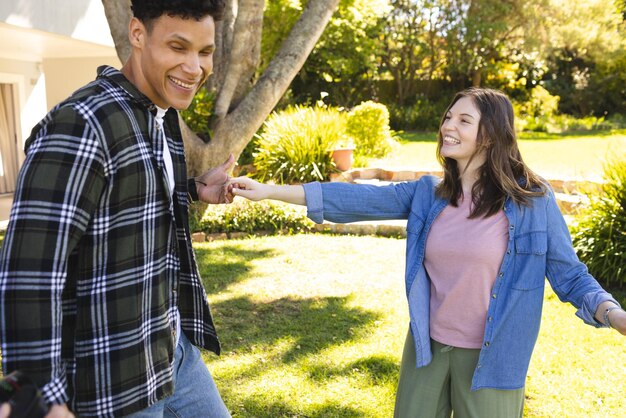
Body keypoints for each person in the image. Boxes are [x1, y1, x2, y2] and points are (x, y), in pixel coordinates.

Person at [226, 87, 626, 418]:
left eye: (463, 120)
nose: (447, 126)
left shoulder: (531, 201)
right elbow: (354, 198)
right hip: (427, 350)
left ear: (490, 135)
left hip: (495, 359)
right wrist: (269, 191)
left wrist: (613, 314)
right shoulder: (429, 195)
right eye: (448, 118)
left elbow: (569, 274)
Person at [0, 0, 234, 416]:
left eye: (204, 51)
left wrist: (195, 190)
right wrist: (43, 400)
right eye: (178, 47)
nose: (195, 67)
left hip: (171, 349)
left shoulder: (158, 113)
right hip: (113, 378)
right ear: (138, 34)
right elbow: (29, 272)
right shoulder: (83, 123)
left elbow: (126, 196)